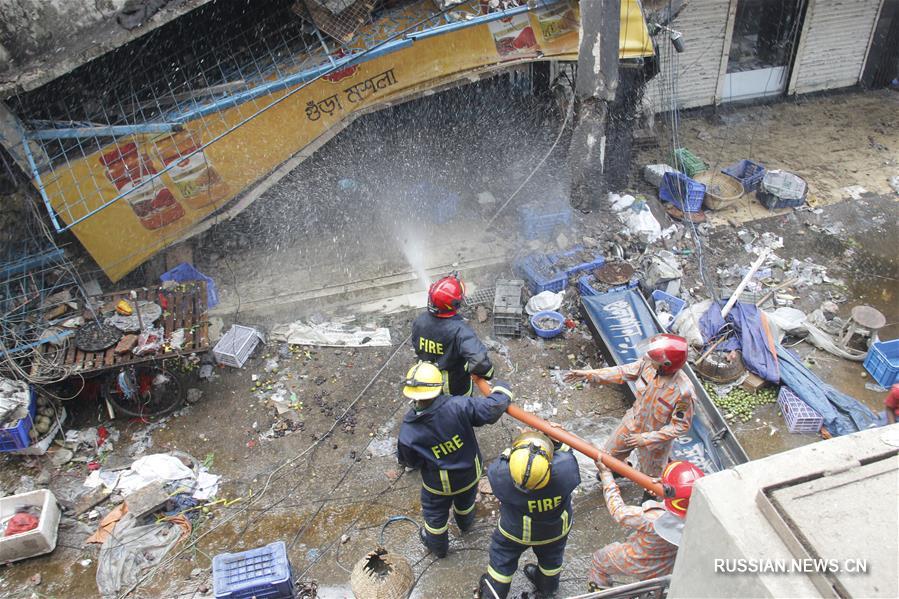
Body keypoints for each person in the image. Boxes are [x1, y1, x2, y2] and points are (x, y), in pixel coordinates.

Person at [397, 361, 513, 558]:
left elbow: (409, 462)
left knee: (435, 518)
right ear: (439, 387)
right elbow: (492, 408)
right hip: (468, 476)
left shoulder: (408, 432)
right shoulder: (459, 406)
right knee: (466, 502)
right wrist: (503, 388)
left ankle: (439, 549)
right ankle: (466, 525)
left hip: (438, 487)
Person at [564, 334, 695, 480]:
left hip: (654, 441)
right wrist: (589, 374)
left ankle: (649, 499)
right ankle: (618, 471)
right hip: (632, 423)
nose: (648, 359)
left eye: (654, 360)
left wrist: (646, 438)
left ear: (667, 365)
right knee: (606, 458)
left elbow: (680, 426)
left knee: (651, 479)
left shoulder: (683, 392)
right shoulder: (648, 365)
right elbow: (622, 372)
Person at [478, 431, 581, 599]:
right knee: (551, 560)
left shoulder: (500, 474)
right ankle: (547, 588)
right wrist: (553, 439)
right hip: (555, 530)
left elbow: (505, 457)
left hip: (515, 532)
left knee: (501, 560)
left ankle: (492, 594)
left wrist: (521, 444)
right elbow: (566, 451)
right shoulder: (565, 469)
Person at [588, 460, 704, 590]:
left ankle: (598, 593)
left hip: (641, 561)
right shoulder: (702, 515)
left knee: (600, 559)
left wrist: (606, 475)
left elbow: (619, 512)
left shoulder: (652, 517)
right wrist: (664, 489)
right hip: (670, 563)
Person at [411, 273, 494, 396]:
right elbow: (479, 360)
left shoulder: (419, 321)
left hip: (425, 384)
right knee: (457, 413)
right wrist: (487, 373)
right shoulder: (460, 331)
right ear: (455, 304)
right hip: (454, 389)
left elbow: (417, 347)